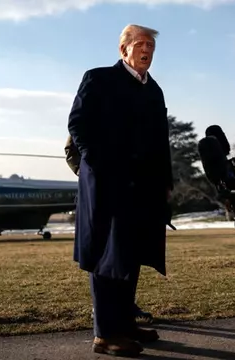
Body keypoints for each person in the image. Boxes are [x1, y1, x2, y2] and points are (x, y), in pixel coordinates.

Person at [67, 24, 173, 357]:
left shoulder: (153, 90)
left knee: (132, 253)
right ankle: (105, 334)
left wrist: (166, 182)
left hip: (143, 188)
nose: (147, 51)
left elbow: (160, 141)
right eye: (141, 44)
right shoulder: (99, 79)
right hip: (107, 185)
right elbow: (78, 125)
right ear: (123, 49)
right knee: (106, 255)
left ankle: (125, 323)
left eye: (152, 47)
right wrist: (99, 165)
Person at [64, 135, 156, 325]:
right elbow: (71, 148)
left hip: (127, 188)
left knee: (128, 254)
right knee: (102, 255)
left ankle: (126, 306)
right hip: (99, 190)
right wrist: (86, 170)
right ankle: (101, 310)